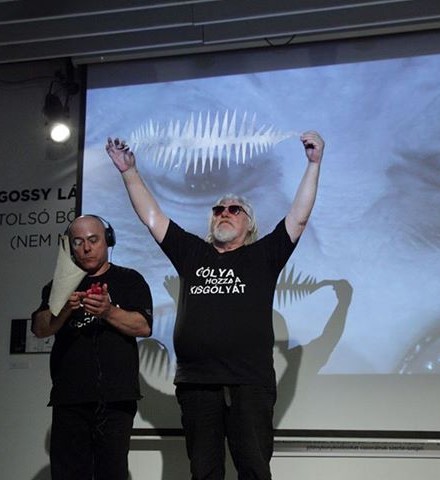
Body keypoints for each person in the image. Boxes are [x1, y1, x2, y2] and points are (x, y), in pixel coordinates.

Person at [105, 130, 324, 480]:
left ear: (248, 223)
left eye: (234, 209)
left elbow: (298, 218)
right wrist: (129, 171)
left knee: (254, 469)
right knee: (204, 471)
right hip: (197, 382)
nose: (225, 213)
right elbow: (152, 217)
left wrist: (313, 164)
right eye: (218, 209)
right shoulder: (193, 253)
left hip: (248, 382)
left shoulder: (263, 256)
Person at [31, 214, 153, 480]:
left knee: (112, 473)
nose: (86, 248)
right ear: (70, 247)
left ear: (107, 241)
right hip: (70, 397)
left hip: (116, 398)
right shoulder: (58, 285)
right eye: (78, 242)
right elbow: (40, 328)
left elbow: (143, 326)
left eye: (93, 240)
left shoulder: (129, 280)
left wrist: (108, 311)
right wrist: (63, 309)